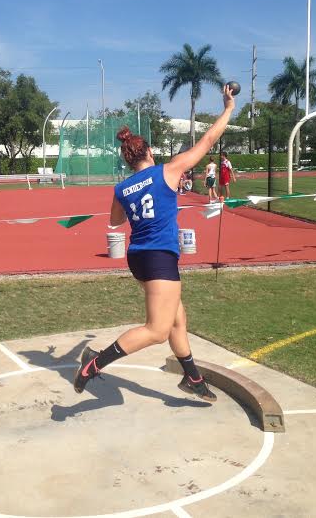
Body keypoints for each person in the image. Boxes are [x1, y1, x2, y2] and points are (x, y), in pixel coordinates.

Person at [73, 84, 236, 401]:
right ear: (148, 152)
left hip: (139, 258)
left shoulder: (122, 188)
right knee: (158, 330)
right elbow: (208, 140)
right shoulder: (168, 171)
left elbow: (116, 221)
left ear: (127, 160)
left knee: (177, 318)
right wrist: (228, 108)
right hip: (159, 257)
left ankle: (193, 378)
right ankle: (95, 366)